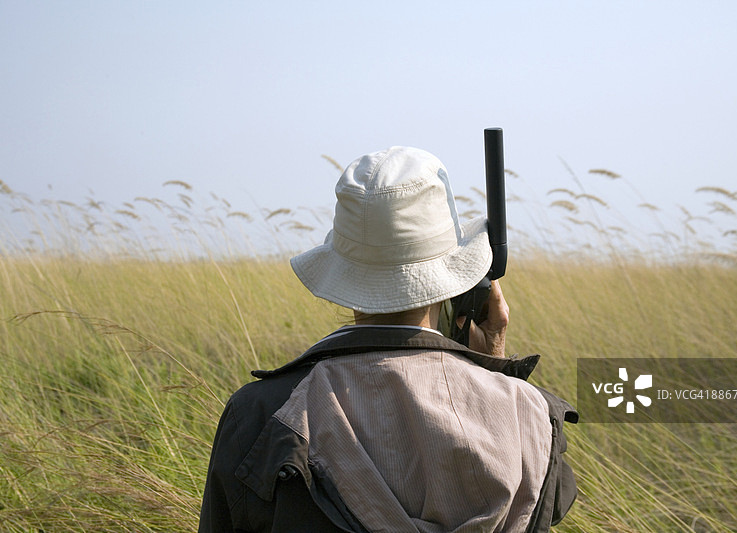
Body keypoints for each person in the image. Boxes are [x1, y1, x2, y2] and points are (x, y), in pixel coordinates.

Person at [198, 146, 577, 532]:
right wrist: (492, 370)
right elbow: (549, 501)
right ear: (464, 285)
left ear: (343, 273)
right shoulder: (529, 414)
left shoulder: (259, 413)